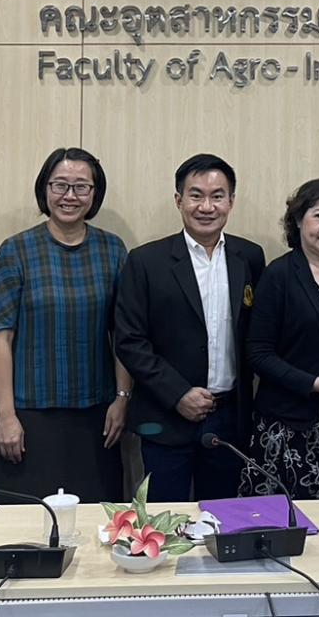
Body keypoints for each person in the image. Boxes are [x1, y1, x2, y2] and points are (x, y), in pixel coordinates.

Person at [0, 147, 131, 503]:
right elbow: (0, 339)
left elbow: (124, 333)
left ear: (95, 194)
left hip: (97, 416)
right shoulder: (16, 250)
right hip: (30, 415)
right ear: (44, 189)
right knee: (22, 523)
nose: (70, 196)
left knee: (97, 520)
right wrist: (6, 415)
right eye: (60, 185)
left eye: (81, 187)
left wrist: (122, 399)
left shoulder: (112, 250)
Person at [114, 153, 265, 500]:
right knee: (164, 520)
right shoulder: (146, 261)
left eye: (217, 196)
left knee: (223, 518)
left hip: (230, 419)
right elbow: (130, 340)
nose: (206, 206)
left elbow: (257, 333)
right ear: (179, 200)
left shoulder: (250, 257)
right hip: (165, 417)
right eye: (196, 195)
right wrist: (177, 393)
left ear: (231, 201)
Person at [241, 178, 319, 500]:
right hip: (288, 426)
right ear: (298, 219)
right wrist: (311, 383)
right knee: (288, 522)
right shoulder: (279, 274)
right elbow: (257, 352)